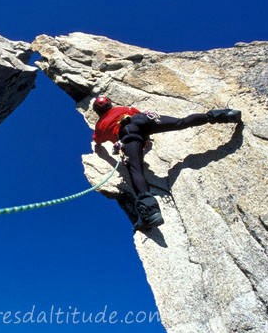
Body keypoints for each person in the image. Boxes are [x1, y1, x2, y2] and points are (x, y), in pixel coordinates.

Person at [92, 95, 242, 231]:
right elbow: (136, 113)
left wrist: (106, 146)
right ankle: (223, 115)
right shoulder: (121, 108)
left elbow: (97, 142)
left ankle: (150, 212)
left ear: (97, 112)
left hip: (128, 132)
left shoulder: (100, 126)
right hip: (143, 119)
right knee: (180, 122)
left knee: (135, 169)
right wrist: (145, 137)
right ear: (110, 105)